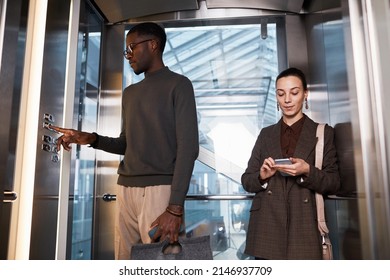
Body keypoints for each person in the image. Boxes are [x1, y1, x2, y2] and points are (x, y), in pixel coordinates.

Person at [51, 22, 199, 260]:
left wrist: (174, 206)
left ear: (153, 45)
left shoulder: (179, 85)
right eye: (126, 50)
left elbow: (189, 148)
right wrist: (90, 138)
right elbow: (125, 143)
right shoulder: (130, 93)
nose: (128, 55)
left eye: (132, 47)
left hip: (160, 191)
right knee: (125, 261)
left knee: (163, 263)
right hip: (125, 188)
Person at [241, 67, 340, 259]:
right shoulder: (266, 134)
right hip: (266, 229)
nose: (287, 100)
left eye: (294, 92)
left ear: (305, 94)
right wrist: (262, 176)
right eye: (281, 93)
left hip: (304, 227)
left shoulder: (322, 133)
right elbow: (247, 180)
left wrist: (307, 170)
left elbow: (334, 182)